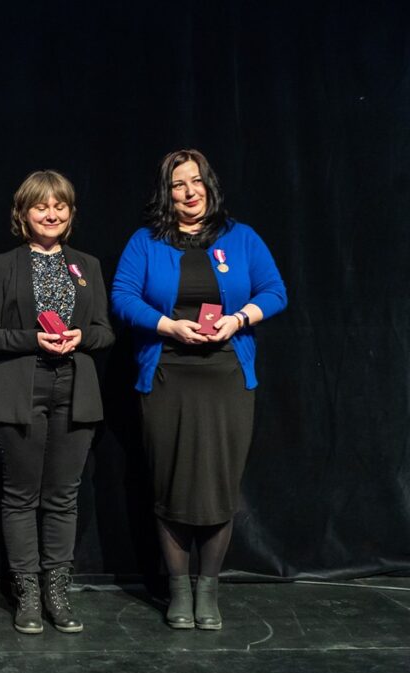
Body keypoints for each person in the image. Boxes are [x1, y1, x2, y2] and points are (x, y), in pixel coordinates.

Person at [110, 149, 287, 630]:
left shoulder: (241, 237)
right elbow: (122, 298)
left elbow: (275, 291)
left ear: (209, 185)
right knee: (170, 485)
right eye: (178, 185)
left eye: (196, 182)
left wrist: (237, 319)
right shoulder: (146, 241)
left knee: (218, 484)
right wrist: (168, 325)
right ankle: (178, 590)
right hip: (167, 376)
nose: (190, 193)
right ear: (166, 193)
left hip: (227, 378)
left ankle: (208, 589)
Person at [0, 171, 114, 634]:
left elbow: (104, 331)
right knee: (19, 496)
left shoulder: (87, 265)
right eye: (40, 206)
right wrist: (34, 339)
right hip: (20, 389)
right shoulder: (3, 265)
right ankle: (27, 592)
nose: (51, 214)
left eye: (60, 206)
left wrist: (80, 336)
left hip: (75, 390)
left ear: (70, 214)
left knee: (62, 496)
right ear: (23, 214)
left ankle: (57, 590)